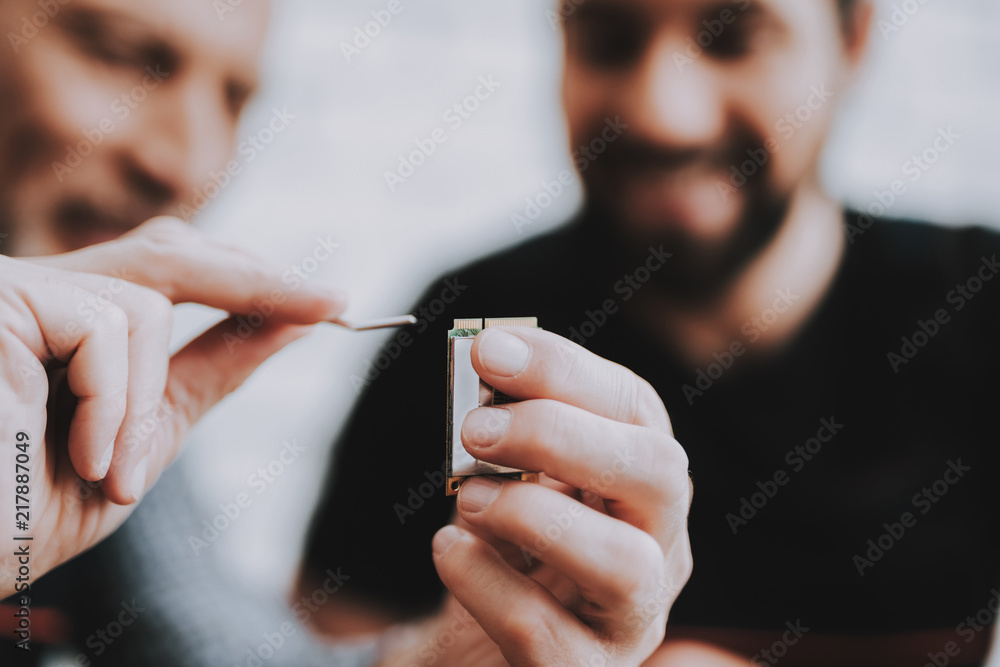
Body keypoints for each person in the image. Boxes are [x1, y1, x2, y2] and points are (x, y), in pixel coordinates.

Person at [300, 0, 1000, 664]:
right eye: (610, 38)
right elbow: (328, 637)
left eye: (735, 36)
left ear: (852, 40)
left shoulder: (977, 301)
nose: (666, 116)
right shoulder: (471, 324)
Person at [0, 1, 691, 665]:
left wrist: (449, 661)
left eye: (235, 98)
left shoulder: (93, 399)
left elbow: (192, 640)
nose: (187, 162)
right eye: (126, 58)